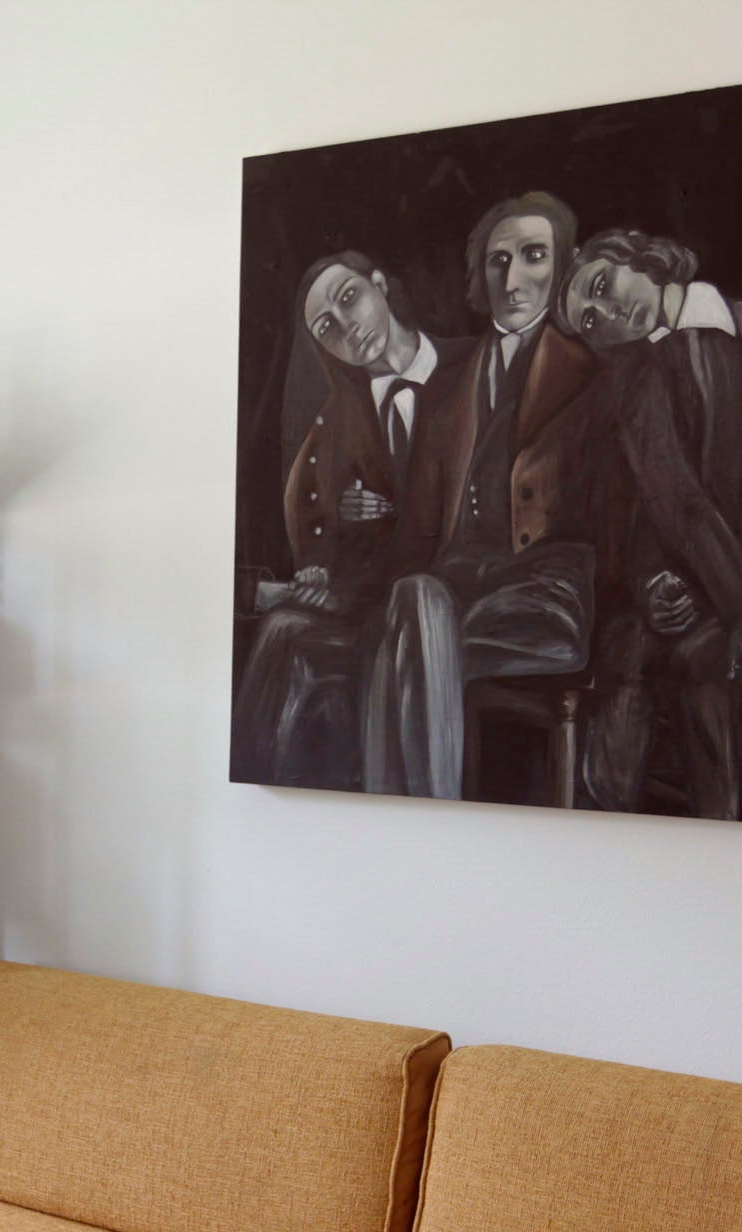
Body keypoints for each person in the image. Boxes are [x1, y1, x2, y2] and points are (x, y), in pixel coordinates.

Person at [556, 227, 742, 816]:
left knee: (699, 664)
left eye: (601, 286)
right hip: (695, 617)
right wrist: (654, 582)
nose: (607, 314)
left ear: (638, 258)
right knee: (638, 651)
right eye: (590, 321)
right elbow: (660, 515)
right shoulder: (634, 387)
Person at [364, 191, 625, 801]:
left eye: (534, 255)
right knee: (411, 606)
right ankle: (419, 807)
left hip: (546, 600)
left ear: (564, 265)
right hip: (452, 596)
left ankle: (406, 814)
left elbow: (618, 519)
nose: (513, 279)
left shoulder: (595, 368)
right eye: (498, 261)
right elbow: (419, 533)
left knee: (407, 630)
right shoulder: (447, 384)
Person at [232, 252, 466, 789]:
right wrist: (332, 547)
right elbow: (318, 531)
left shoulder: (471, 366)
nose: (346, 327)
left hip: (446, 591)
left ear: (379, 283)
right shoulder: (338, 418)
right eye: (326, 328)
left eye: (349, 298)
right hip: (368, 596)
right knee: (283, 631)